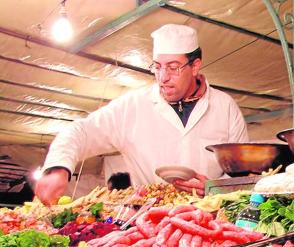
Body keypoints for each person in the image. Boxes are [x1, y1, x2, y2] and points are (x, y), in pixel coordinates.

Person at [35, 24, 249, 205]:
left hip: (210, 219)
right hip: (149, 222)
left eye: (173, 67)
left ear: (195, 66)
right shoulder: (132, 106)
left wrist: (213, 189)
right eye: (157, 67)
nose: (163, 77)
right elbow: (80, 131)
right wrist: (58, 167)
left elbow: (246, 177)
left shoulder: (225, 107)